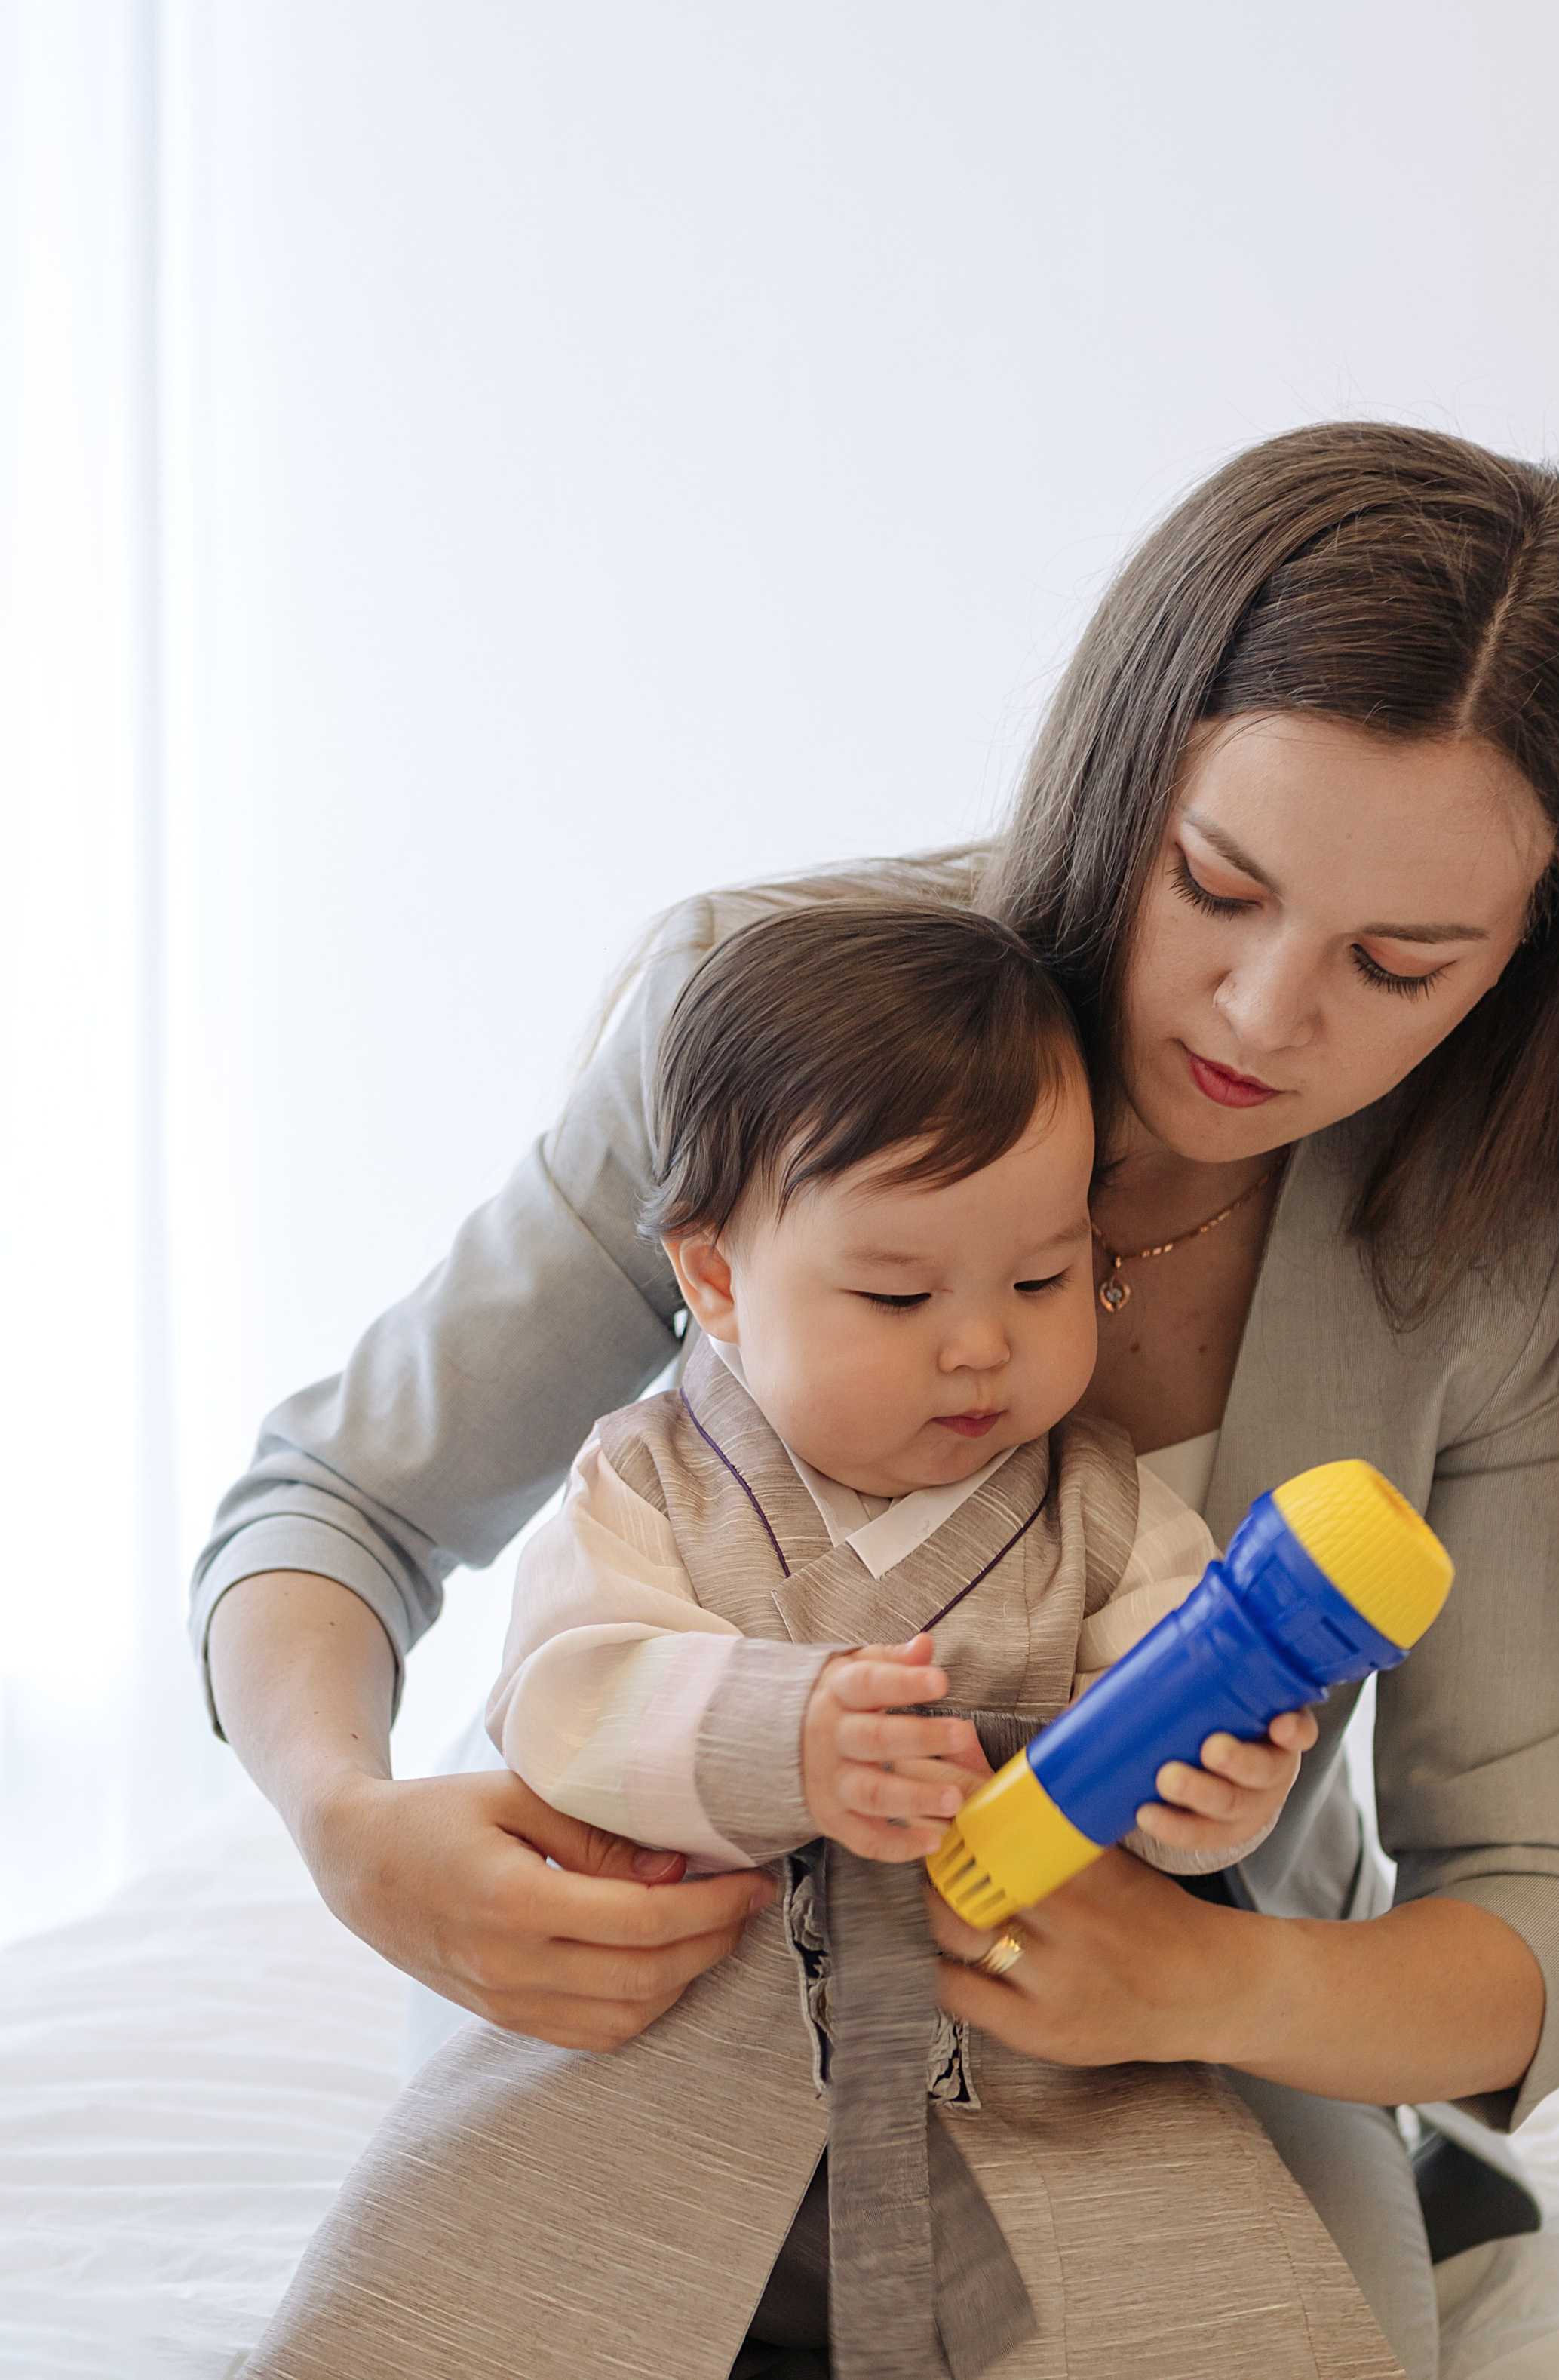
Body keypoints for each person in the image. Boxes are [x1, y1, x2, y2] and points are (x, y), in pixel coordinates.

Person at [198, 422, 1559, 2380]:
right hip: (672, 1979)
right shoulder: (775, 1030)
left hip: (1161, 2018)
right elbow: (340, 1500)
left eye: (1399, 961)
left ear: (1529, 951)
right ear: (1128, 770)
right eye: (1218, 884)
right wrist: (352, 1826)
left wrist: (1224, 1973)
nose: (1266, 1015)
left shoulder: (1494, 1248)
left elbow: (1543, 1903)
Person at [244, 901, 1379, 2380]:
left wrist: (1206, 1783)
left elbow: (1172, 1683)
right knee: (463, 2299)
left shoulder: (1097, 1507)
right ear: (713, 1281)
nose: (979, 1345)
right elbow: (571, 1695)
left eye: (1041, 1279)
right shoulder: (644, 1486)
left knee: (1208, 2311)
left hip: (1014, 2089)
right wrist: (779, 1738)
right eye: (898, 1295)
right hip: (669, 2066)